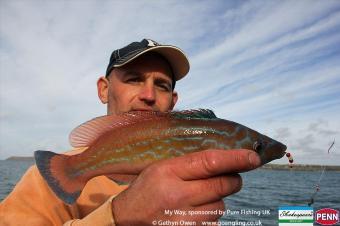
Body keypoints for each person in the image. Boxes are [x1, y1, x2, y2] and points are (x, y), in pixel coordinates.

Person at [0, 39, 261, 225]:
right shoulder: (48, 178)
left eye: (162, 85)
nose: (148, 96)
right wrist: (117, 217)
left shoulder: (194, 184)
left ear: (173, 100)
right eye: (134, 79)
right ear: (104, 89)